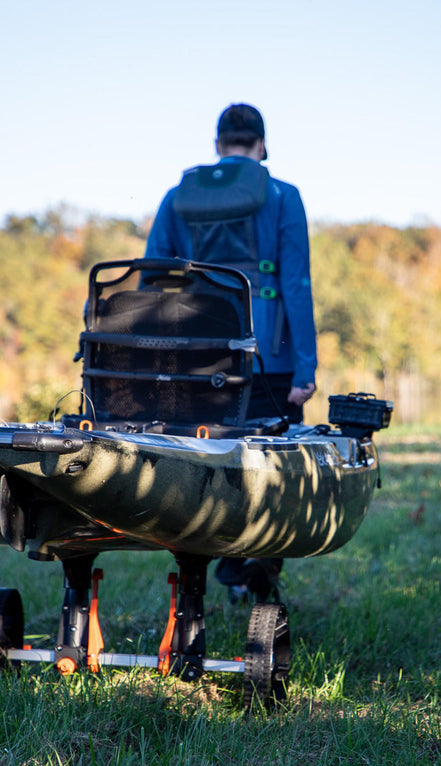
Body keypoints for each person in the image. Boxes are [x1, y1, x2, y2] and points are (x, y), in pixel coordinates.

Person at [145, 103, 318, 602]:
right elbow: (295, 284)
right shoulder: (284, 196)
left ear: (219, 146)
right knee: (275, 463)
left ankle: (214, 567)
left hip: (199, 357)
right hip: (271, 358)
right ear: (261, 146)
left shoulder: (178, 197)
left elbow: (152, 278)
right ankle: (258, 570)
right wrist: (304, 366)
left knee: (206, 460)